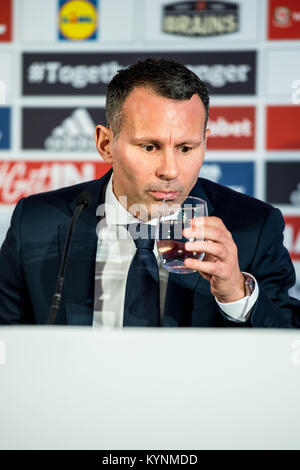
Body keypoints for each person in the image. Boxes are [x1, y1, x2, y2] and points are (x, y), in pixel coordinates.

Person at [0, 58, 299, 326]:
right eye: (149, 147)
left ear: (205, 143)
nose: (169, 170)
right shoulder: (36, 223)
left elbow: (289, 351)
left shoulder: (253, 228)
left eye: (185, 148)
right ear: (106, 144)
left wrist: (237, 293)